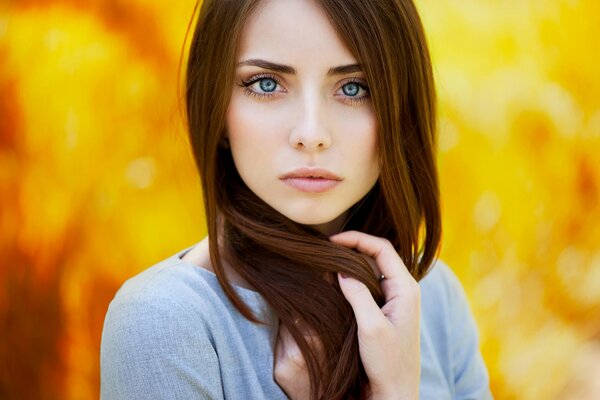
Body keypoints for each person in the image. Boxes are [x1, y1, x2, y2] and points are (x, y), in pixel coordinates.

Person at [100, 0, 493, 399]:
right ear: (216, 109)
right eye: (266, 84)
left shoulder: (429, 295)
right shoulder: (162, 323)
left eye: (354, 87)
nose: (311, 133)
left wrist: (394, 390)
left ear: (400, 112)